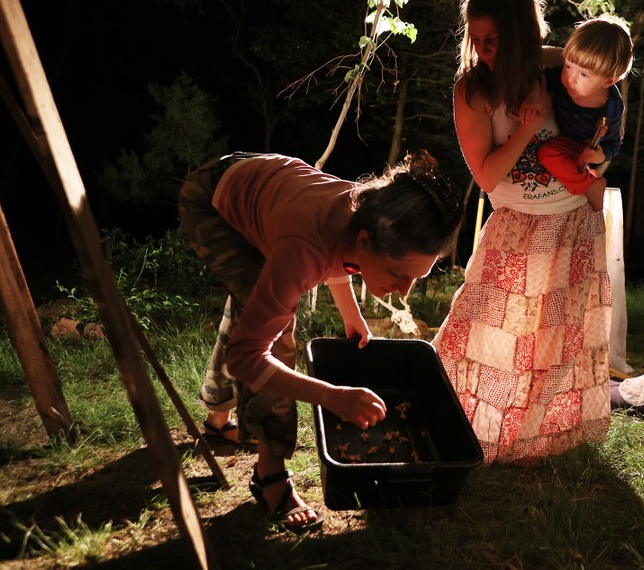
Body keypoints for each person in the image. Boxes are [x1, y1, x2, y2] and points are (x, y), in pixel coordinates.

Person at [179, 149, 463, 532]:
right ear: (365, 241)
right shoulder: (305, 248)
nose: (404, 290)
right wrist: (331, 395)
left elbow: (339, 248)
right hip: (211, 200)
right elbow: (246, 358)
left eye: (417, 277)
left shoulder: (371, 211)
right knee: (272, 336)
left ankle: (217, 417)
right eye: (398, 273)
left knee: (257, 305)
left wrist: (351, 313)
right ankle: (270, 477)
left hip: (261, 186)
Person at [432, 0, 612, 465]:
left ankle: (538, 437)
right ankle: (458, 423)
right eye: (477, 40)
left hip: (573, 222)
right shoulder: (473, 90)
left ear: (521, 33)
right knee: (483, 332)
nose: (485, 50)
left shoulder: (560, 69)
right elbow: (488, 177)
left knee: (554, 341)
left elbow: (609, 114)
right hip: (516, 224)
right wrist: (530, 124)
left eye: (494, 39)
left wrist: (596, 162)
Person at [536, 15, 633, 212]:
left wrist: (598, 156)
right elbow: (539, 81)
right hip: (556, 130)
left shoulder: (611, 107)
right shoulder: (560, 78)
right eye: (569, 66)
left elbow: (613, 144)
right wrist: (532, 97)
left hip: (579, 145)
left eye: (584, 75)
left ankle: (589, 185)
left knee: (548, 154)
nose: (570, 78)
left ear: (608, 81)